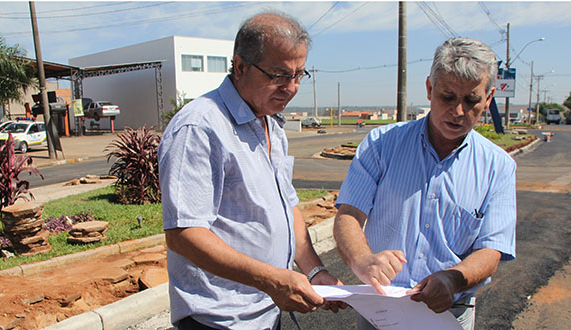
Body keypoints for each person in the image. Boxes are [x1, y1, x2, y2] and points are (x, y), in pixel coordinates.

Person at [158, 11, 344, 330]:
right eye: (279, 75)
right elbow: (183, 234)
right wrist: (272, 280)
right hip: (219, 319)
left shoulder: (272, 126)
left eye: (300, 74)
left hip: (265, 312)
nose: (292, 87)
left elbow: (288, 208)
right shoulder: (200, 128)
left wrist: (315, 272)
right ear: (241, 66)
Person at [333, 37, 516, 330]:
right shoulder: (381, 145)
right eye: (447, 96)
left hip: (450, 312)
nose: (458, 111)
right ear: (429, 89)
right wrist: (363, 261)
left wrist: (452, 280)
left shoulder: (498, 166)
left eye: (471, 100)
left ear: (489, 98)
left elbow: (491, 250)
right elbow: (349, 216)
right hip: (381, 310)